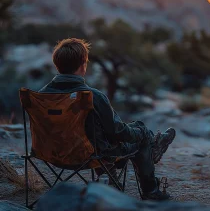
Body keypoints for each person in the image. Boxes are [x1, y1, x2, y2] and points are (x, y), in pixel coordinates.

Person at [39, 38, 176, 201]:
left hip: (52, 154)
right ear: (83, 65)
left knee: (103, 135)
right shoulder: (93, 96)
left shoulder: (41, 96)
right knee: (140, 132)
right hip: (91, 155)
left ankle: (128, 168)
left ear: (57, 65)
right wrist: (141, 133)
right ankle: (151, 186)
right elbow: (117, 132)